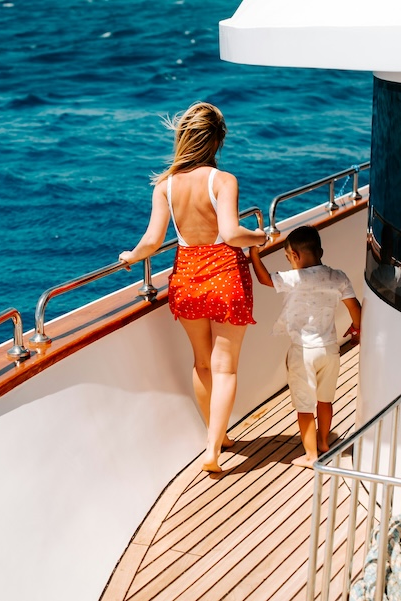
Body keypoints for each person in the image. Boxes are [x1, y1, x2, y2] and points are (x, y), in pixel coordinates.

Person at [118, 101, 268, 473]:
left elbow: (152, 241)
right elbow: (232, 234)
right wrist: (259, 236)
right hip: (224, 275)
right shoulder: (223, 180)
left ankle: (215, 437)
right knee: (225, 368)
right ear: (217, 141)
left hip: (186, 276)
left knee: (201, 363)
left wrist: (131, 256)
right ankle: (213, 451)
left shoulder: (165, 186)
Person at [249, 225, 361, 468]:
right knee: (325, 400)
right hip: (330, 349)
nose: (290, 263)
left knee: (304, 405)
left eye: (289, 258)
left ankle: (311, 456)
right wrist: (356, 330)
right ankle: (323, 443)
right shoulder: (338, 276)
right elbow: (355, 310)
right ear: (319, 250)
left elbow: (264, 279)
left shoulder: (295, 278)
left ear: (295, 256)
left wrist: (254, 254)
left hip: (303, 351)